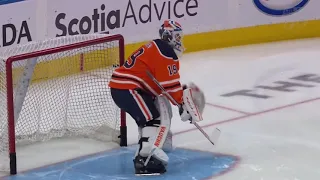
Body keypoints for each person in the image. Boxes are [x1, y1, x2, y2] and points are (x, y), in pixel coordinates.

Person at [108, 20, 205, 175]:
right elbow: (170, 86)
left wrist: (180, 103)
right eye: (177, 36)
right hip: (128, 89)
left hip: (126, 88)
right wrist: (183, 104)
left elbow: (167, 87)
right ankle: (144, 160)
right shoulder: (165, 51)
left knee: (153, 115)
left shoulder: (158, 46)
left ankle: (150, 149)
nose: (179, 40)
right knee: (151, 119)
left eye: (180, 36)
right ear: (168, 36)